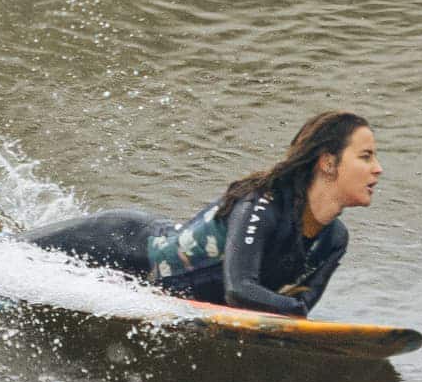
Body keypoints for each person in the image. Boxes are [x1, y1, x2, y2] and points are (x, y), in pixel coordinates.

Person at [22, 111, 381, 317]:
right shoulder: (262, 205)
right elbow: (240, 291)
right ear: (328, 163)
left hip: (151, 287)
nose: (377, 169)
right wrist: (293, 310)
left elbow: (296, 309)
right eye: (365, 156)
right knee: (6, 256)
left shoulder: (333, 240)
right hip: (120, 244)